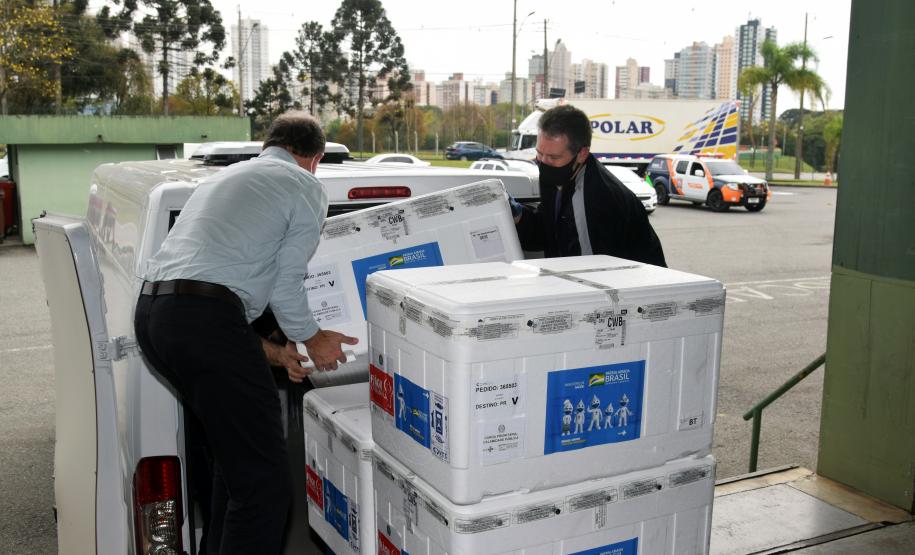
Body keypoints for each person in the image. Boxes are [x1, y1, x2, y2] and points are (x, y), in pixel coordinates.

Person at [133, 111, 358, 554]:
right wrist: (312, 337)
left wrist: (277, 354)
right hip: (205, 321)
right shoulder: (303, 185)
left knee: (234, 471)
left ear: (267, 146)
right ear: (313, 159)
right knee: (264, 489)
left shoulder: (226, 178)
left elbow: (210, 303)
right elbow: (285, 278)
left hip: (156, 315)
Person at [512, 104, 667, 266]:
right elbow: (549, 233)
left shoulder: (598, 199)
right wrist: (518, 216)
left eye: (553, 157)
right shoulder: (561, 176)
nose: (543, 162)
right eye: (539, 153)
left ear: (582, 154)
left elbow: (590, 270)